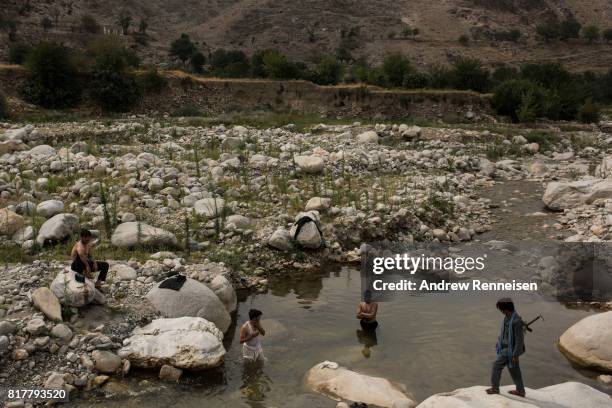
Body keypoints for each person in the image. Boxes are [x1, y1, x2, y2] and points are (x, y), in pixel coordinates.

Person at [486, 298, 526, 397]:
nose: (500, 311)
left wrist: (515, 354)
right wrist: (499, 343)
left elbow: (519, 340)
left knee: (496, 366)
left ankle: (495, 388)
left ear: (505, 309)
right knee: (514, 371)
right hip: (505, 347)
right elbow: (504, 333)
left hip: (510, 350)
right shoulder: (507, 317)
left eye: (501, 309)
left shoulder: (516, 321)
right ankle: (520, 391)